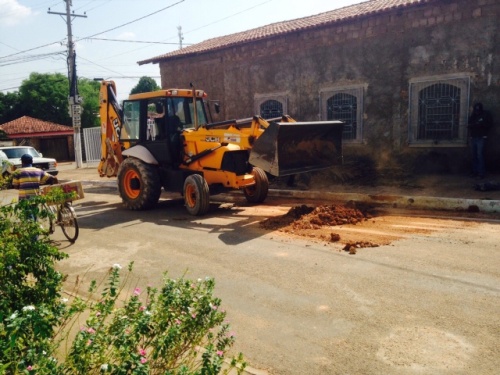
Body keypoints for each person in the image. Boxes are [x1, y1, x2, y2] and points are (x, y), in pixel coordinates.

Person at [467, 102, 493, 179]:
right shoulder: (474, 115)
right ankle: (475, 172)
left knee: (480, 155)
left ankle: (481, 173)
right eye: (476, 109)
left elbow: (489, 124)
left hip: (481, 137)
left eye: (478, 109)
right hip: (474, 137)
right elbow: (470, 124)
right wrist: (475, 125)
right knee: (474, 155)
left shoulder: (486, 114)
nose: (477, 111)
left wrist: (480, 124)